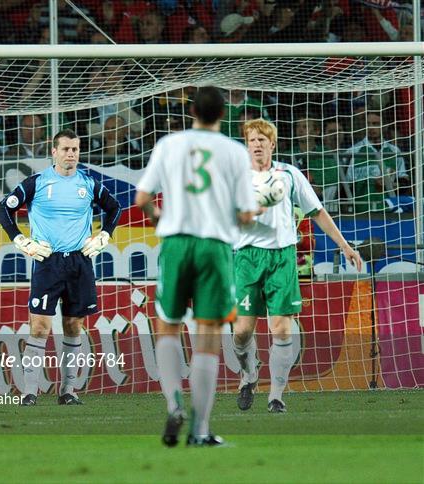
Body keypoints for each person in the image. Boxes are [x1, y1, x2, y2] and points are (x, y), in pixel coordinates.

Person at [135, 86, 258, 447]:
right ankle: (200, 431)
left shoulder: (169, 145)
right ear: (223, 114)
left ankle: (174, 403)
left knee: (168, 328)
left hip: (176, 242)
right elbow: (247, 213)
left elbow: (142, 198)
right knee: (207, 338)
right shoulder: (235, 153)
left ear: (191, 112)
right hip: (214, 246)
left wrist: (160, 216)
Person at [232, 119, 362, 413]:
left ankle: (276, 395)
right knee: (241, 331)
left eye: (262, 140)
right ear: (246, 144)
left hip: (282, 258)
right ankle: (249, 375)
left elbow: (317, 211)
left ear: (272, 144)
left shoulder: (289, 174)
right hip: (247, 259)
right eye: (252, 140)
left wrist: (344, 245)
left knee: (281, 329)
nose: (257, 145)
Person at [0, 128, 121, 406]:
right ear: (54, 152)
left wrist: (105, 235)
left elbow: (115, 208)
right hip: (47, 262)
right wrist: (20, 240)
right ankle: (30, 391)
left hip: (80, 261)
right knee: (39, 326)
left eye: (75, 149)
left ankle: (68, 390)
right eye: (65, 149)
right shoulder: (38, 182)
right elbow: (3, 209)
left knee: (73, 325)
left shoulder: (88, 184)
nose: (71, 154)